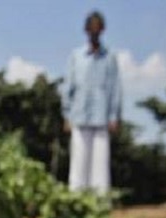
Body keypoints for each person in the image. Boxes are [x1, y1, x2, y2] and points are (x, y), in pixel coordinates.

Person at [63, 11, 122, 196]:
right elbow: (68, 87)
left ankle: (100, 203)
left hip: (102, 117)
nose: (94, 32)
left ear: (102, 30)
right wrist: (67, 115)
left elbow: (115, 88)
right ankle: (76, 201)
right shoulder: (76, 56)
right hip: (79, 115)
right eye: (91, 28)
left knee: (100, 165)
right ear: (86, 30)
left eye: (98, 28)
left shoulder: (110, 58)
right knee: (78, 162)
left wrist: (114, 116)